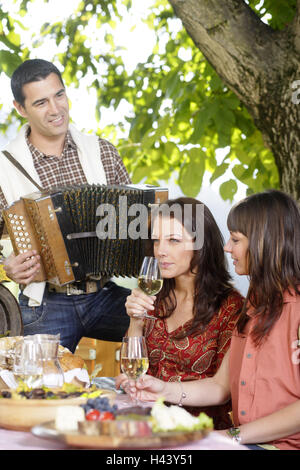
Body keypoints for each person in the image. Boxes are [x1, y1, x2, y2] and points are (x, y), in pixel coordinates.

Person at [125, 190, 300, 450]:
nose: (227, 247)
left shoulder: (258, 306)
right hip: (243, 441)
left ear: (265, 242)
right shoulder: (255, 303)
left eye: (236, 239)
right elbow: (221, 385)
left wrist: (231, 436)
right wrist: (161, 388)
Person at [0, 58, 131, 352]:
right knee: (34, 385)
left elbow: (134, 220)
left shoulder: (103, 152)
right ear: (20, 109)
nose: (56, 109)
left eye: (59, 95)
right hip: (44, 303)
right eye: (41, 102)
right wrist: (6, 267)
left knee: (165, 327)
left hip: (105, 294)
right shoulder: (3, 168)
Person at [116, 197, 244, 429]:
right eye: (156, 241)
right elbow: (131, 368)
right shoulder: (155, 294)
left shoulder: (231, 307)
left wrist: (163, 391)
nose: (160, 251)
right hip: (147, 423)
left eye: (173, 240)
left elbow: (222, 391)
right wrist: (136, 321)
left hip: (198, 432)